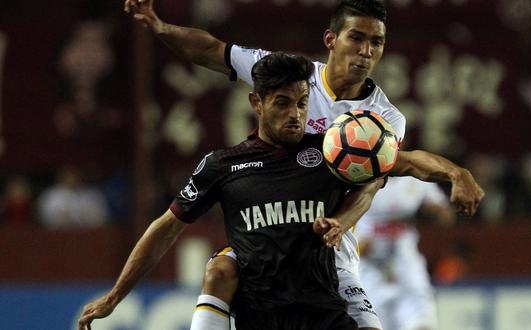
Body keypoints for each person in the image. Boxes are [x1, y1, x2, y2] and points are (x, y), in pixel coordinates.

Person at [123, 1, 485, 329]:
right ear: (331, 38)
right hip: (267, 233)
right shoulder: (292, 77)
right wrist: (160, 27)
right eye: (356, 37)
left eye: (376, 42)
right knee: (220, 269)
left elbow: (371, 183)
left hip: (327, 250)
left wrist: (455, 173)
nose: (365, 51)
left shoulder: (383, 117)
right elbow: (212, 51)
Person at [78, 52, 384, 330]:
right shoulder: (222, 165)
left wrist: (344, 218)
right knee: (220, 269)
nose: (295, 114)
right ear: (257, 103)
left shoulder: (330, 152)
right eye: (282, 102)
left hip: (324, 315)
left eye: (302, 102)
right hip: (260, 319)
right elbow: (164, 229)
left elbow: (374, 179)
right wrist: (114, 297)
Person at [355, 176, 455, 330]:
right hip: (368, 269)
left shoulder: (416, 176)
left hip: (407, 264)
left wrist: (432, 211)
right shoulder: (358, 176)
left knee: (422, 321)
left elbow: (446, 216)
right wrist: (358, 246)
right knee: (373, 323)